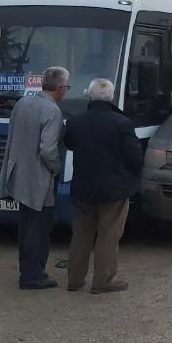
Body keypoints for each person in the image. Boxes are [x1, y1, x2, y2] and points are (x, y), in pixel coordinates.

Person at [63, 78, 143, 294]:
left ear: (89, 96)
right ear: (112, 97)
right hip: (114, 190)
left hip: (82, 188)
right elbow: (135, 158)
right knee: (108, 235)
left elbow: (69, 144)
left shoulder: (76, 121)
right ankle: (103, 281)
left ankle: (75, 279)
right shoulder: (122, 123)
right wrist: (133, 179)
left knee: (80, 234)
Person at [0, 66, 69, 290]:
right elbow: (48, 150)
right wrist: (56, 168)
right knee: (39, 229)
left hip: (18, 175)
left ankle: (26, 270)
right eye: (66, 87)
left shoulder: (23, 103)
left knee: (26, 226)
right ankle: (34, 276)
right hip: (39, 179)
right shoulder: (53, 111)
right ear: (61, 88)